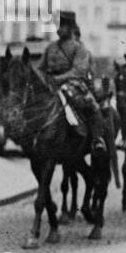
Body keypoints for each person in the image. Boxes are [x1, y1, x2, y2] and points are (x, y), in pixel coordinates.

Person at [43, 10, 108, 158]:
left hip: (72, 85)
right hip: (51, 85)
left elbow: (78, 71)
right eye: (57, 26)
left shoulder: (79, 48)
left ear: (70, 28)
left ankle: (97, 139)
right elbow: (41, 67)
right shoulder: (50, 48)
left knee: (91, 105)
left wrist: (58, 79)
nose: (59, 30)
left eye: (62, 26)